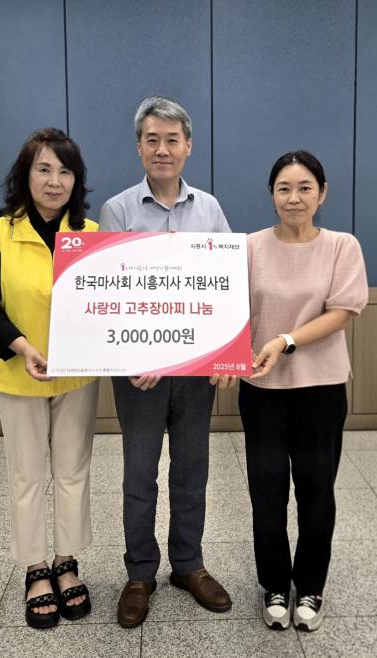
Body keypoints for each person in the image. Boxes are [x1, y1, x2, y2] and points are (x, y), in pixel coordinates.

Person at [100, 96, 235, 628]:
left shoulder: (210, 209)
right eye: (152, 140)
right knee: (139, 473)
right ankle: (140, 574)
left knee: (191, 470)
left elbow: (225, 289)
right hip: (139, 375)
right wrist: (136, 355)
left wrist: (225, 357)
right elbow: (108, 293)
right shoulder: (118, 211)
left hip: (196, 372)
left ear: (188, 147)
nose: (162, 149)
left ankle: (188, 565)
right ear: (139, 147)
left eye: (172, 140)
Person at [0, 128, 99, 629]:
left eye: (65, 171)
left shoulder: (89, 235)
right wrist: (22, 347)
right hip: (18, 375)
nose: (54, 180)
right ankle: (35, 568)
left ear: (76, 181)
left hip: (76, 378)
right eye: (43, 169)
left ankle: (66, 562)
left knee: (72, 471)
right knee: (26, 475)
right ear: (25, 175)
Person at [239, 151, 368, 632]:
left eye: (305, 188)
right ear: (271, 195)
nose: (294, 198)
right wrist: (226, 360)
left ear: (322, 193)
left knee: (316, 490)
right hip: (262, 389)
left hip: (322, 389)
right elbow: (230, 313)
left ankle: (311, 585)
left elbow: (343, 311)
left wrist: (285, 340)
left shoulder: (341, 246)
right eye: (284, 189)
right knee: (267, 489)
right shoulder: (249, 247)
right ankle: (275, 584)